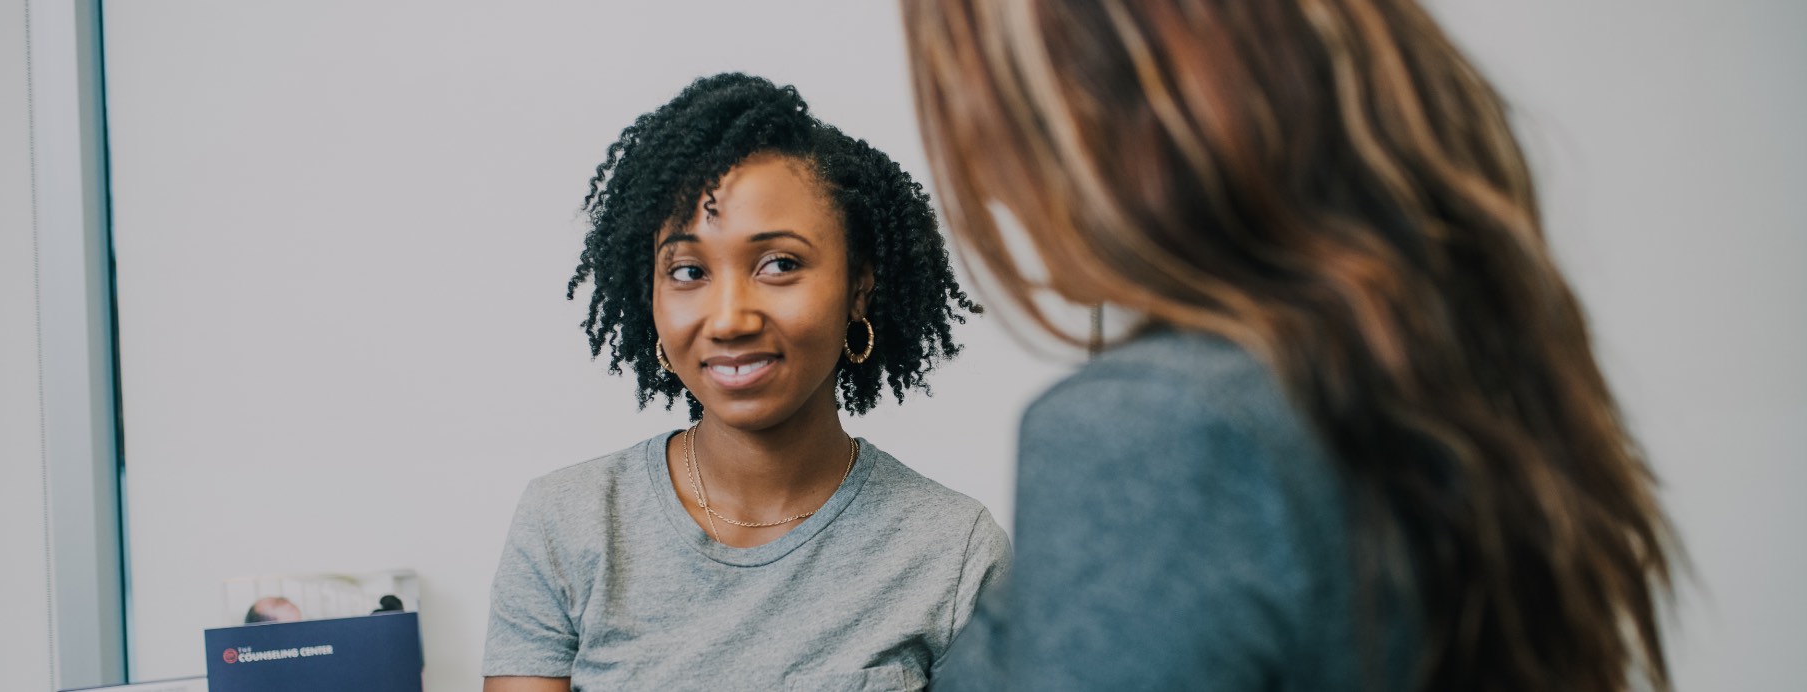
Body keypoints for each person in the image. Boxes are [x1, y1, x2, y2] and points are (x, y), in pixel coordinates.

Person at [901, 1, 1677, 690]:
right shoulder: (1448, 376)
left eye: (999, 115)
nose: (993, 185)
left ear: (1131, 107)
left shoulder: (1159, 428)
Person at [482, 73, 1008, 691]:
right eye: (687, 270)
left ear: (858, 287)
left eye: (779, 264)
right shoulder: (567, 523)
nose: (730, 318)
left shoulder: (953, 553)